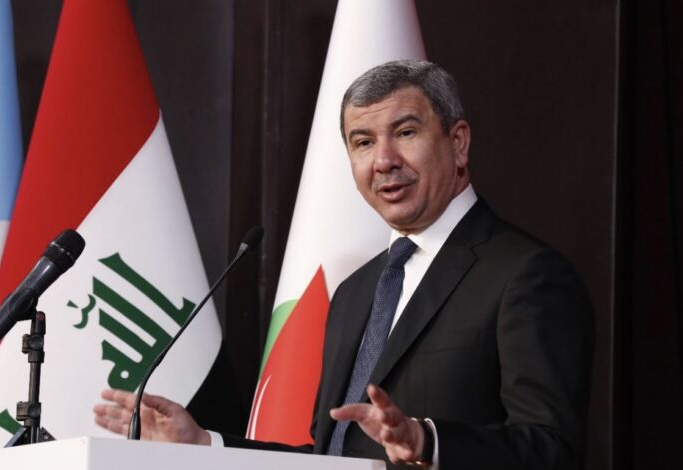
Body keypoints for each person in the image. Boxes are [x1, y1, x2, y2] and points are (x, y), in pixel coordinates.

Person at [94, 59, 594, 470]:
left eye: (406, 132)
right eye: (363, 142)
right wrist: (205, 444)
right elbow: (331, 460)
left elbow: (553, 450)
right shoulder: (356, 290)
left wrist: (427, 441)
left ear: (458, 143)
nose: (384, 160)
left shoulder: (525, 275)